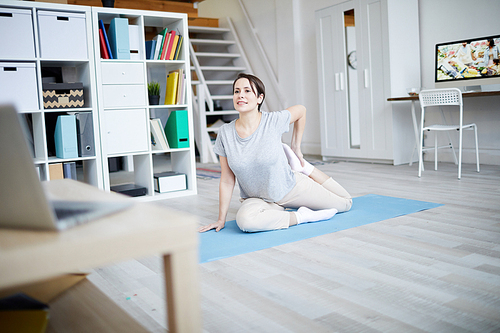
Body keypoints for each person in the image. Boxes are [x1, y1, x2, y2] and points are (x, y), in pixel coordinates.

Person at [198, 73, 352, 233]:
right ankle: (302, 217)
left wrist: (296, 147)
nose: (240, 95)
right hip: (258, 198)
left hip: (289, 188)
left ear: (259, 98)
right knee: (245, 222)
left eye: (247, 91)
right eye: (236, 91)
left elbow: (301, 110)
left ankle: (305, 168)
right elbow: (227, 180)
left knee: (345, 203)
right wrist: (221, 219)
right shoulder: (225, 133)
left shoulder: (272, 121)